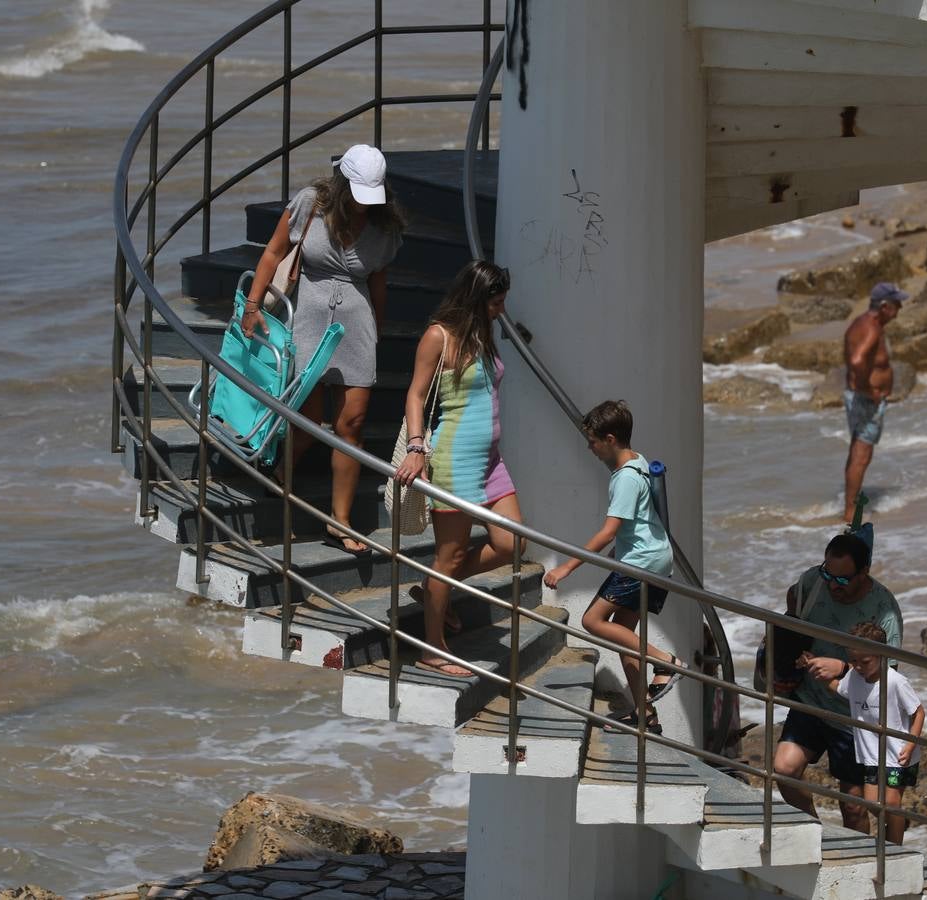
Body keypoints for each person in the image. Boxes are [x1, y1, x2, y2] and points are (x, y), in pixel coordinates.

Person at [241, 144, 405, 554]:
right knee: (309, 417)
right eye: (358, 195)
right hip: (308, 321)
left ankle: (340, 520)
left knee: (353, 423)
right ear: (342, 183)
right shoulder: (310, 203)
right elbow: (274, 251)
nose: (365, 205)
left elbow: (378, 281)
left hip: (356, 327)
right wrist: (252, 305)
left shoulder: (384, 226)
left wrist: (378, 328)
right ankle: (280, 468)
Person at [394, 261, 524, 676]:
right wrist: (416, 447)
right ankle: (433, 648)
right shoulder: (440, 335)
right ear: (475, 298)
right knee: (447, 557)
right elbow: (416, 395)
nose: (501, 310)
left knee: (512, 544)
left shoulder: (483, 332)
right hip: (456, 463)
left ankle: (436, 589)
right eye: (496, 302)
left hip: (492, 463)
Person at [542, 400, 683, 736]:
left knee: (592, 620)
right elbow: (633, 522)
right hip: (655, 558)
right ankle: (645, 713)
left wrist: (565, 569)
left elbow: (608, 531)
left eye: (593, 441)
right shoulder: (639, 461)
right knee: (623, 635)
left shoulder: (625, 479)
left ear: (609, 439)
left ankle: (665, 662)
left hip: (641, 562)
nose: (589, 448)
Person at [771, 532, 903, 834]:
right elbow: (794, 605)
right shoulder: (812, 582)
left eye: (842, 580)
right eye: (828, 575)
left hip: (853, 716)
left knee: (853, 807)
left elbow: (887, 678)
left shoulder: (884, 610)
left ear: (864, 572)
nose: (833, 585)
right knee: (783, 769)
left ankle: (860, 856)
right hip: (810, 700)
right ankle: (816, 834)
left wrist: (843, 668)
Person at [817, 621, 925, 846]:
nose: (858, 666)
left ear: (882, 655)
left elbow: (918, 712)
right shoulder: (854, 677)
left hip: (898, 755)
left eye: (865, 661)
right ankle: (897, 822)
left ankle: (894, 851)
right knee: (872, 802)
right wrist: (818, 675)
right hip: (872, 756)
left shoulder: (895, 682)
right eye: (853, 660)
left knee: (891, 804)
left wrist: (910, 744)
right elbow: (840, 689)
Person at [841, 282, 907, 524]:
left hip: (859, 396)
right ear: (884, 306)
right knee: (862, 454)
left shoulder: (861, 323)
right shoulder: (871, 329)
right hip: (866, 399)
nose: (899, 309)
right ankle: (851, 514)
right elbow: (857, 361)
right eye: (897, 304)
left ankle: (850, 508)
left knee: (857, 452)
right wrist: (869, 390)